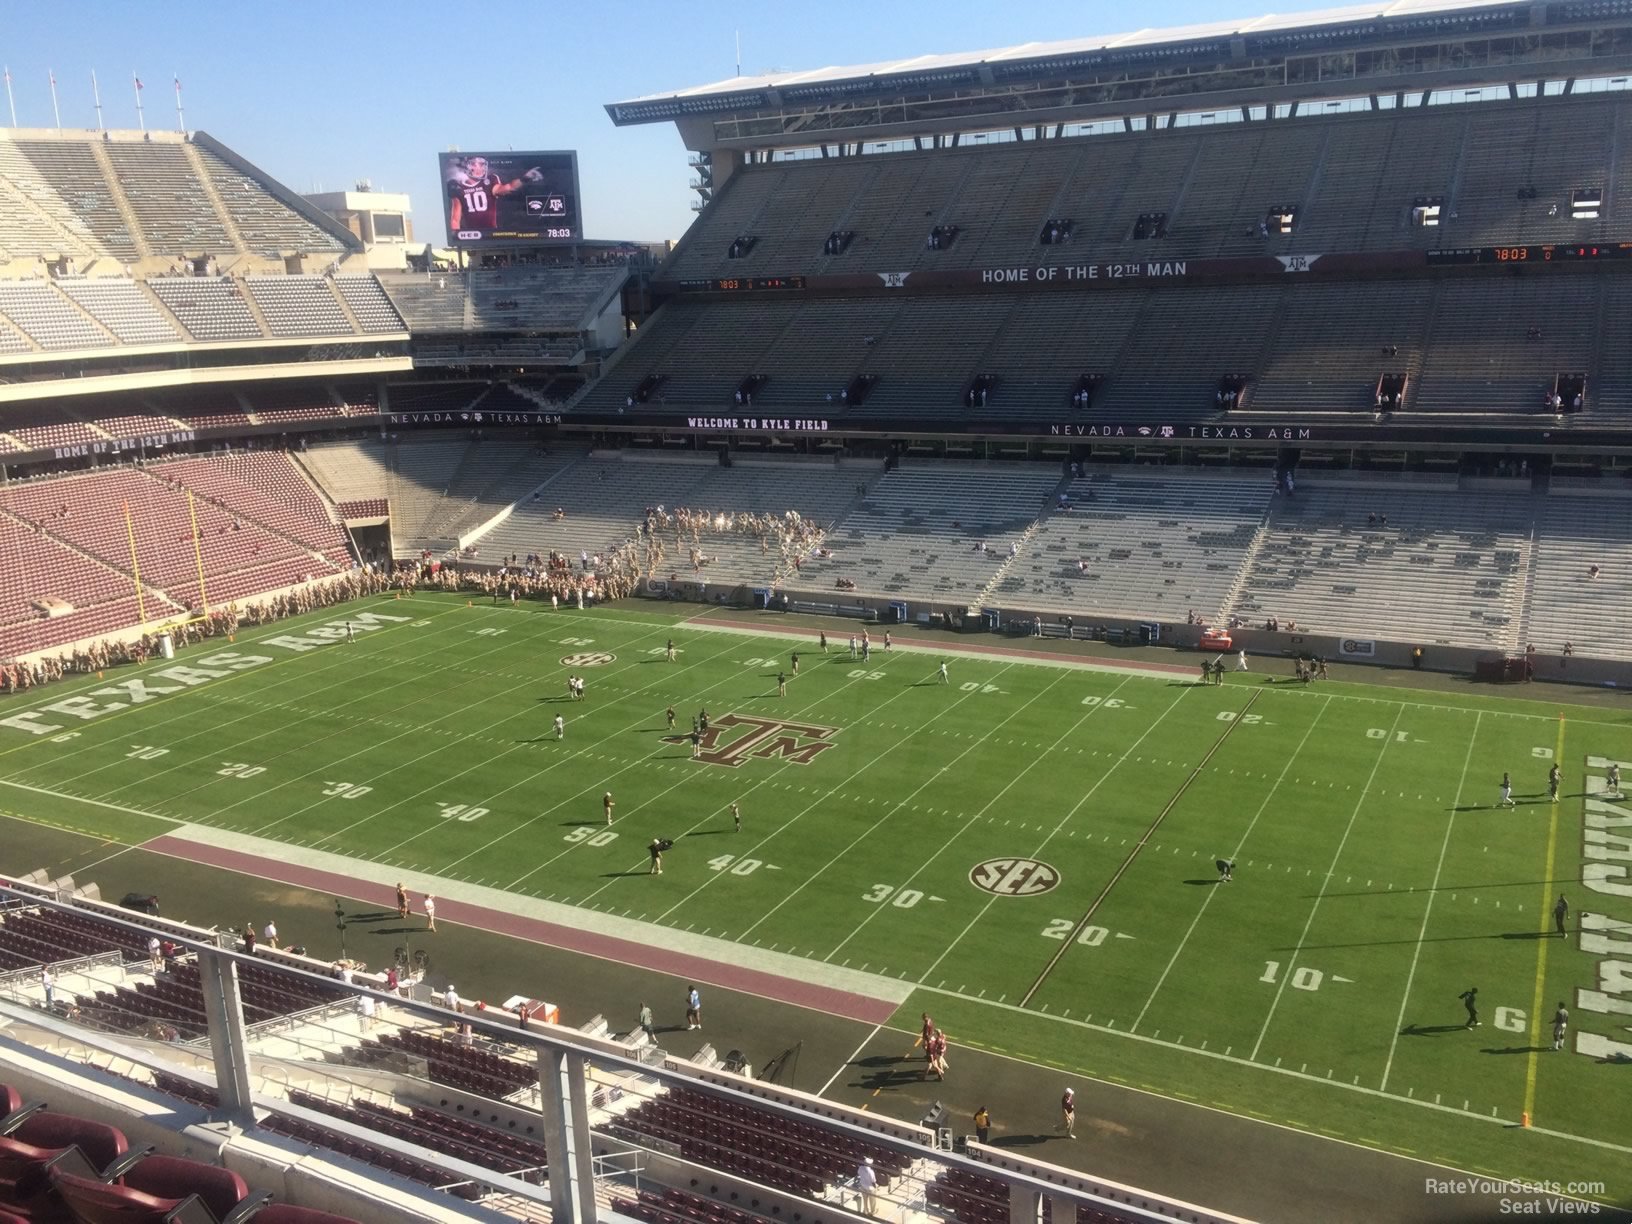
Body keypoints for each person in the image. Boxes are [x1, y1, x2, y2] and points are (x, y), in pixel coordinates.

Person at [446, 155, 541, 230]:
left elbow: (509, 187)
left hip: (491, 234)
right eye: (474, 164)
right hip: (473, 236)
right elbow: (455, 220)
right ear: (466, 166)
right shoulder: (459, 187)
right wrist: (457, 239)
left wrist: (524, 178)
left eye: (482, 164)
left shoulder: (490, 180)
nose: (479, 168)